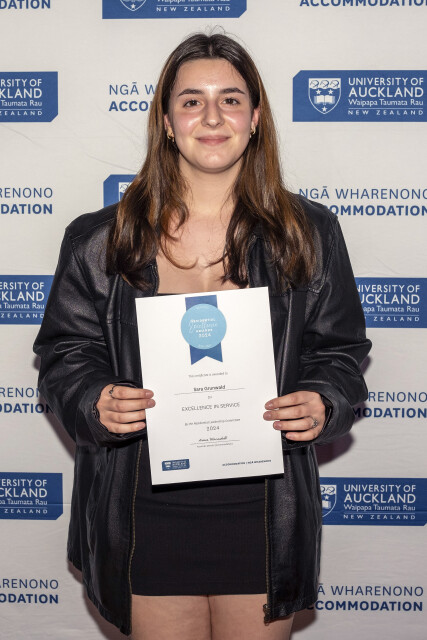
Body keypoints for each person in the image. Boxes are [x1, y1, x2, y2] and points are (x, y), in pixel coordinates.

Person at [33, 32, 371, 640]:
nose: (212, 117)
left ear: (255, 118)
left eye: (230, 100)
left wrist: (323, 400)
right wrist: (94, 399)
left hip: (264, 515)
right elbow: (64, 354)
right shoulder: (100, 239)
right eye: (191, 101)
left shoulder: (308, 233)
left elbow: (340, 352)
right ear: (166, 122)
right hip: (143, 512)